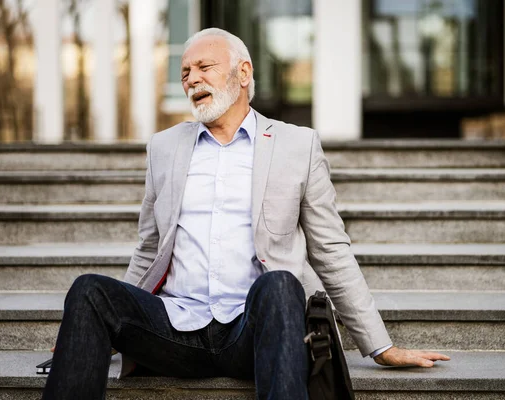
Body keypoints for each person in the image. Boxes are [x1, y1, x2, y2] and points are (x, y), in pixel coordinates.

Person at [42, 28, 449, 400]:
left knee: (280, 284)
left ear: (242, 72)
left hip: (254, 332)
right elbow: (150, 250)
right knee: (88, 290)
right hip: (174, 331)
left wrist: (379, 345)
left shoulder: (297, 145)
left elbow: (331, 249)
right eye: (185, 71)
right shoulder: (163, 148)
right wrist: (93, 331)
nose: (191, 78)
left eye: (204, 66)